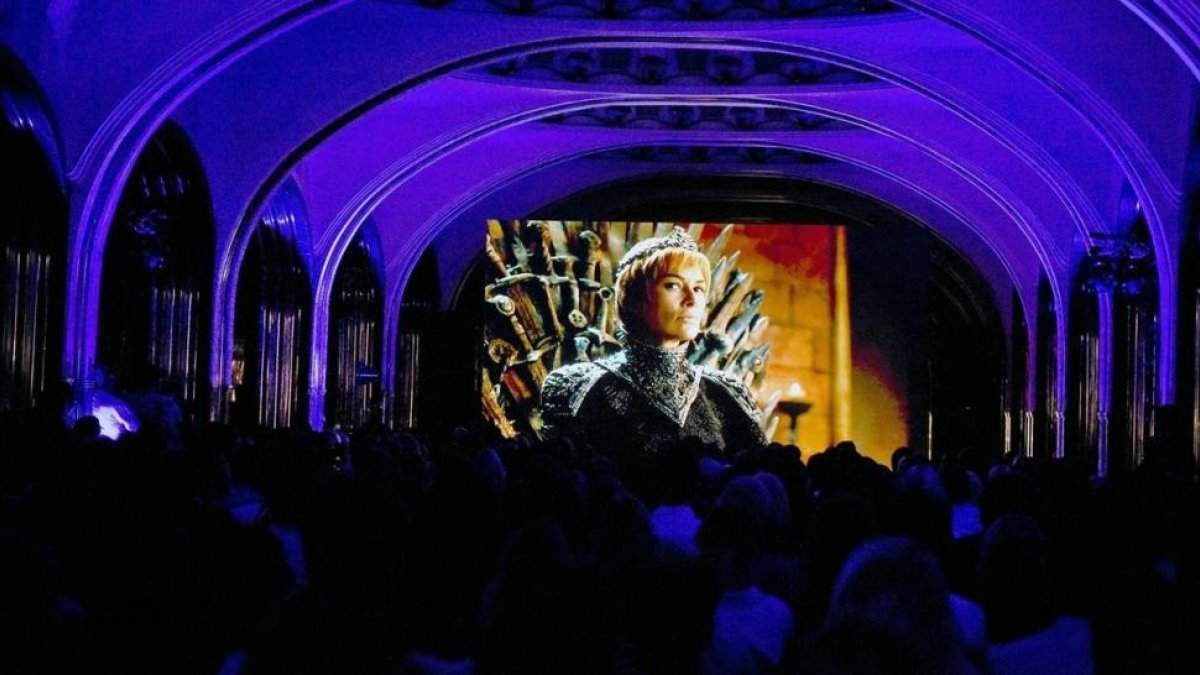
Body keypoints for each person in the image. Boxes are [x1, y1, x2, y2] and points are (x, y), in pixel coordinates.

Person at [540, 228, 765, 462]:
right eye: (673, 285)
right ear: (633, 297)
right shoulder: (578, 389)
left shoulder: (727, 394)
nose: (692, 300)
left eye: (698, 288)